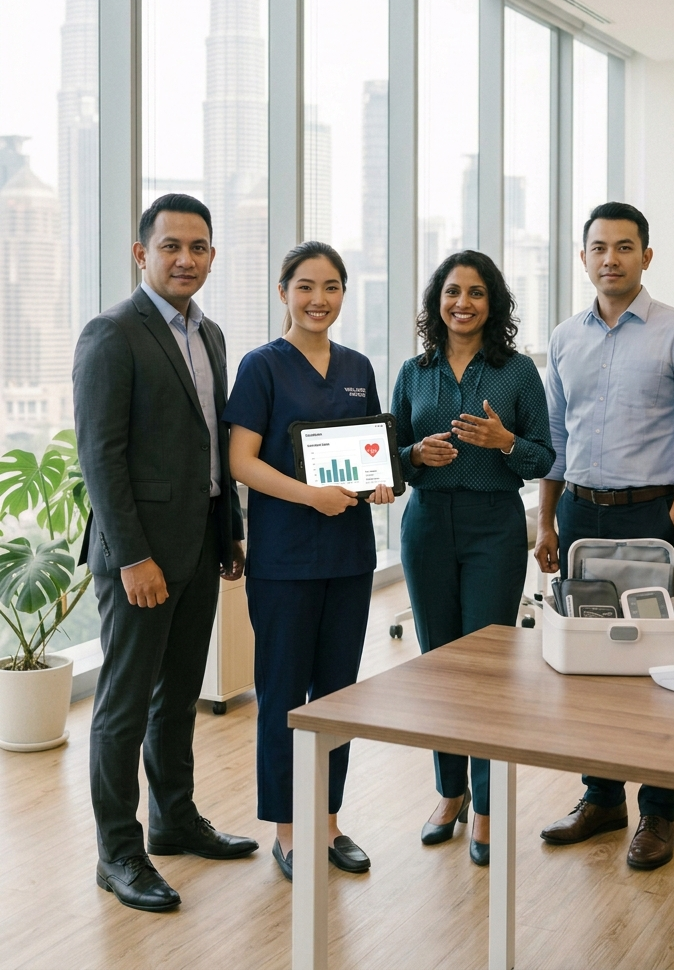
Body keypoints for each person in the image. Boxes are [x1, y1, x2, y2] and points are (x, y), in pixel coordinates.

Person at [73, 194, 257, 914]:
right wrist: (132, 557)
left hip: (199, 546)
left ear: (212, 255)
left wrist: (228, 532)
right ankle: (118, 852)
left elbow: (213, 444)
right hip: (140, 558)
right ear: (140, 252)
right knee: (122, 705)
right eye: (172, 245)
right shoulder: (112, 333)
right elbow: (101, 460)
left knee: (176, 695)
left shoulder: (208, 335)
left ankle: (174, 820)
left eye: (200, 247)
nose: (186, 258)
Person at [536, 201, 674, 870]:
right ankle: (602, 797)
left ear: (647, 255)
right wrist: (547, 516)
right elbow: (557, 434)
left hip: (651, 518)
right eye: (599, 247)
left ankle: (659, 814)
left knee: (656, 668)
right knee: (586, 665)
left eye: (624, 246)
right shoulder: (563, 337)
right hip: (580, 514)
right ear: (583, 257)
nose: (610, 258)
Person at [225, 242, 393, 882]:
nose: (318, 299)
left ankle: (328, 820)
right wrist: (308, 496)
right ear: (283, 292)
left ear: (344, 294)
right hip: (285, 558)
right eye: (304, 286)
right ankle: (289, 829)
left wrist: (378, 482)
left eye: (330, 287)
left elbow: (371, 450)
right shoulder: (262, 366)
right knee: (282, 695)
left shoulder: (356, 366)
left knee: (338, 694)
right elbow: (243, 461)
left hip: (348, 556)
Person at [392, 250, 554, 867]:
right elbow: (391, 456)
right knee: (438, 664)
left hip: (493, 526)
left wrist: (505, 441)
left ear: (494, 304)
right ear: (438, 300)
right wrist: (414, 456)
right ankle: (449, 793)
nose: (463, 303)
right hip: (427, 524)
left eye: (477, 293)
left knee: (488, 671)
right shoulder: (414, 370)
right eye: (453, 291)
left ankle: (486, 806)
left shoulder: (515, 373)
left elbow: (542, 458)